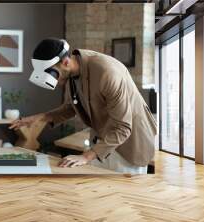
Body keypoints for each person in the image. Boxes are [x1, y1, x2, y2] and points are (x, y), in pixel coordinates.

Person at [9, 38, 157, 174]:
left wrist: (86, 157)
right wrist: (40, 117)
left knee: (124, 197)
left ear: (66, 62)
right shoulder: (73, 73)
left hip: (129, 143)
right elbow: (72, 107)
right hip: (102, 141)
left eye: (54, 74)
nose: (55, 81)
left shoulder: (108, 73)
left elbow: (123, 127)